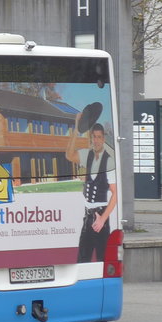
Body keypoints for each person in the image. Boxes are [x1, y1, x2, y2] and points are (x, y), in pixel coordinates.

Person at [66, 113, 117, 264]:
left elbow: (115, 194)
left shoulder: (109, 161)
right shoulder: (87, 155)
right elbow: (69, 155)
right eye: (94, 137)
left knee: (102, 260)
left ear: (103, 139)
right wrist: (76, 129)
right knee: (82, 261)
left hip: (101, 216)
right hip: (87, 218)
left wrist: (102, 219)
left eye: (99, 137)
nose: (96, 140)